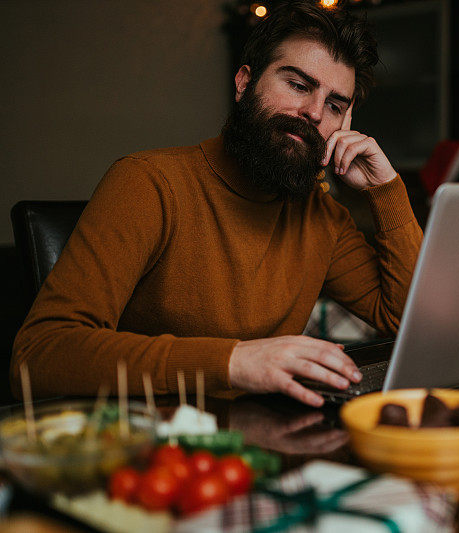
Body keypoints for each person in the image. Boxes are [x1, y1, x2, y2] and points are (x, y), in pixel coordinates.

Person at [11, 1, 423, 407]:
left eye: (335, 105)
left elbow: (407, 323)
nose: (314, 113)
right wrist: (232, 361)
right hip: (154, 450)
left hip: (263, 443)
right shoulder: (148, 182)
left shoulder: (322, 216)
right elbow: (39, 355)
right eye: (298, 85)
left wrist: (384, 189)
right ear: (245, 83)